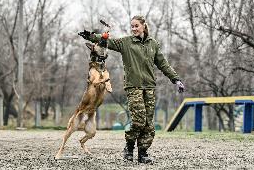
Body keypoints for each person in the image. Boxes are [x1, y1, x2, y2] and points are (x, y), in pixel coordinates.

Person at [78, 15, 185, 163]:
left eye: (136, 26)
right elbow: (107, 41)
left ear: (143, 26)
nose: (134, 29)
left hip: (149, 87)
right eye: (132, 26)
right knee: (138, 121)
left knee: (148, 123)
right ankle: (129, 147)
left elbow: (163, 64)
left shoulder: (153, 44)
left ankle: (143, 153)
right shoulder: (126, 43)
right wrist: (91, 36)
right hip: (133, 87)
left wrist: (176, 79)